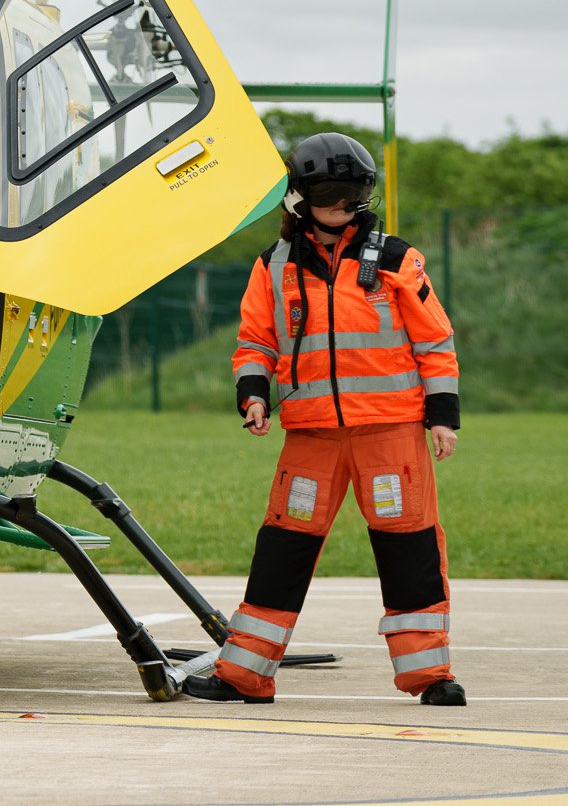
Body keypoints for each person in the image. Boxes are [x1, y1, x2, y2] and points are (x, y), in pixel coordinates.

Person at [183, 132, 466, 707]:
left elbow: (435, 343)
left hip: (389, 435)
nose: (346, 204)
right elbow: (255, 342)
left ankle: (430, 676)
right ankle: (246, 675)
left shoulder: (395, 259)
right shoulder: (275, 266)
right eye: (332, 193)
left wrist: (442, 416)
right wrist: (254, 395)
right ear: (300, 198)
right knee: (282, 550)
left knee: (408, 548)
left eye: (356, 193)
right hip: (311, 436)